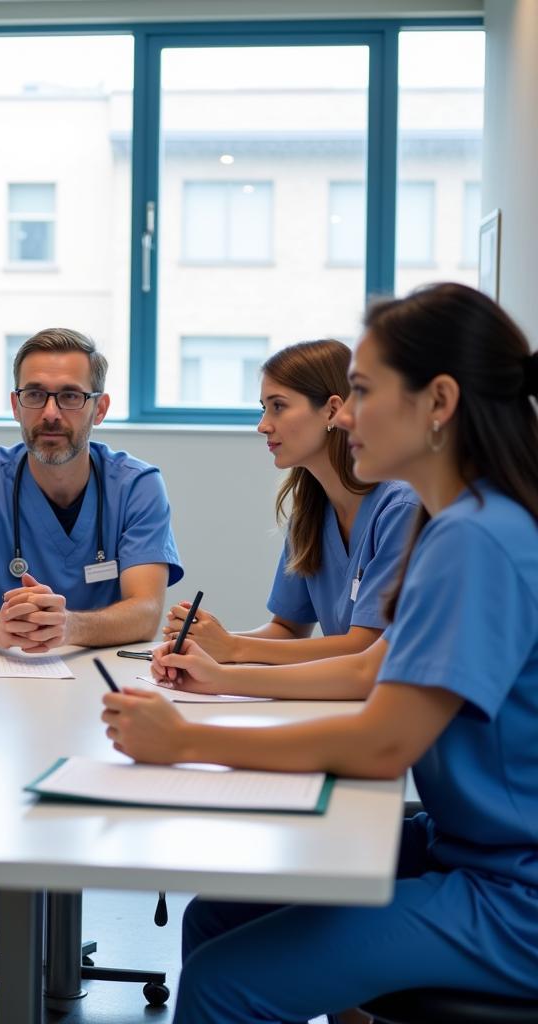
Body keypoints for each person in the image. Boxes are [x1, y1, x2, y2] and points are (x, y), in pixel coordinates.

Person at [103, 282, 538, 1024]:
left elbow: (383, 742)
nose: (344, 412)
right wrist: (227, 676)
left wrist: (184, 741)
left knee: (220, 982)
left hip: (511, 894)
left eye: (361, 392)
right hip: (468, 846)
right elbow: (375, 673)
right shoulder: (456, 522)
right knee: (218, 913)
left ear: (437, 402)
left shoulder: (474, 536)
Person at [0, 327, 183, 652]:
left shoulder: (137, 486)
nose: (50, 413)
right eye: (34, 395)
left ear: (100, 408)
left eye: (70, 396)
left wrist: (68, 626)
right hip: (2, 673)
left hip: (102, 677)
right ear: (16, 406)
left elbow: (146, 614)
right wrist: (0, 628)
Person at [165, 339, 418, 666]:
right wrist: (205, 643)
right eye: (263, 408)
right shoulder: (311, 512)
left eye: (278, 406)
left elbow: (366, 647)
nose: (262, 425)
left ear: (332, 409)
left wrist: (233, 649)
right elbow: (288, 629)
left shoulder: (400, 509)